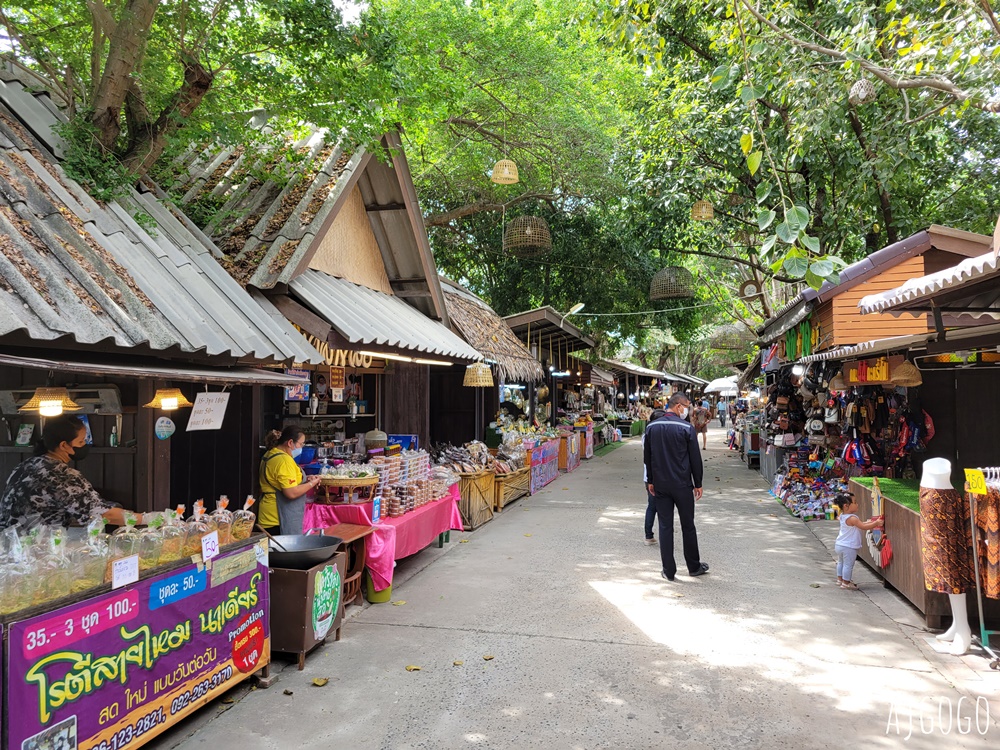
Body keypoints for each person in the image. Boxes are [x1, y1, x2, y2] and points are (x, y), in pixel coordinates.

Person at [0, 415, 139, 528]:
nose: (84, 445)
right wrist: (148, 518)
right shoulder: (62, 475)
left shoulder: (25, 466)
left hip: (7, 545)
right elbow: (105, 515)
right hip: (34, 549)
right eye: (81, 442)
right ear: (64, 445)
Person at [644, 392, 709, 581]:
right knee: (688, 525)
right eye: (686, 406)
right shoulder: (686, 428)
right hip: (682, 484)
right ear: (678, 406)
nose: (687, 410)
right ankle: (693, 566)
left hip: (661, 485)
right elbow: (695, 459)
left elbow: (647, 457)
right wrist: (698, 483)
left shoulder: (652, 427)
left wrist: (650, 480)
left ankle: (669, 571)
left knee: (665, 526)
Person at [259, 426, 322, 535]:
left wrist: (306, 479)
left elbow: (282, 479)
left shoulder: (271, 453)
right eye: (301, 444)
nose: (301, 447)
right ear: (290, 442)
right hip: (278, 518)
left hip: (267, 515)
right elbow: (291, 493)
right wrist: (312, 483)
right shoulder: (284, 461)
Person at [831, 494, 883, 590]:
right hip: (849, 547)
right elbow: (863, 526)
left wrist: (869, 522)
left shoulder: (843, 516)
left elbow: (860, 524)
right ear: (846, 505)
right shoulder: (853, 518)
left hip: (840, 544)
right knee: (848, 565)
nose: (857, 504)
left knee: (841, 562)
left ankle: (840, 579)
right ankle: (846, 583)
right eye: (854, 502)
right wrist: (875, 523)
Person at [642, 408, 667, 545]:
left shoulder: (646, 434)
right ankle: (657, 536)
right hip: (658, 476)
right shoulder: (658, 436)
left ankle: (649, 535)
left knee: (652, 505)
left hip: (648, 476)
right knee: (661, 506)